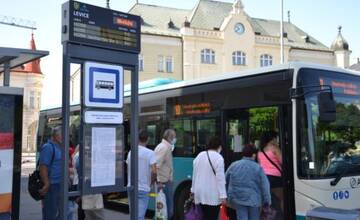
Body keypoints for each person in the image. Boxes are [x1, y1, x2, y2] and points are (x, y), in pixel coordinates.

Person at [226, 145, 271, 220]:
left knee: (242, 217)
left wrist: (228, 197)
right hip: (254, 200)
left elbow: (225, 180)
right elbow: (265, 186)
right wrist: (267, 201)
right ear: (254, 155)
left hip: (238, 198)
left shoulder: (234, 165)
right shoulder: (258, 167)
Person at [191, 137, 227, 220]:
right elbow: (220, 179)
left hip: (199, 193)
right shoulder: (219, 158)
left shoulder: (200, 155)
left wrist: (192, 190)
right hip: (212, 195)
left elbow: (195, 174)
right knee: (212, 217)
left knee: (202, 216)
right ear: (219, 146)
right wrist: (223, 195)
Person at [127, 130, 157, 220]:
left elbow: (128, 168)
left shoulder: (131, 152)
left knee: (133, 214)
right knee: (140, 216)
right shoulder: (150, 153)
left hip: (131, 187)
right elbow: (154, 171)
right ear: (147, 139)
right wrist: (151, 183)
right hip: (144, 188)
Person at [39, 126, 62, 220]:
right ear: (56, 136)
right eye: (63, 135)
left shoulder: (60, 147)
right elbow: (43, 166)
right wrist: (46, 183)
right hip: (52, 186)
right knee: (50, 213)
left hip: (59, 184)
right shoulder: (48, 147)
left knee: (59, 212)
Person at [257, 131, 283, 212]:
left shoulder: (260, 151)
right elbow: (283, 161)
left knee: (265, 202)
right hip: (275, 178)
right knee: (282, 199)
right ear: (271, 139)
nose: (276, 140)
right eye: (275, 138)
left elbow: (259, 165)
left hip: (263, 178)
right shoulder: (274, 148)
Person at [154, 129, 176, 219]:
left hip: (166, 181)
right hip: (163, 182)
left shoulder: (167, 147)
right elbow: (156, 166)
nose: (175, 139)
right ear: (169, 137)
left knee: (165, 207)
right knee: (166, 208)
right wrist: (158, 181)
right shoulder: (163, 148)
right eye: (174, 137)